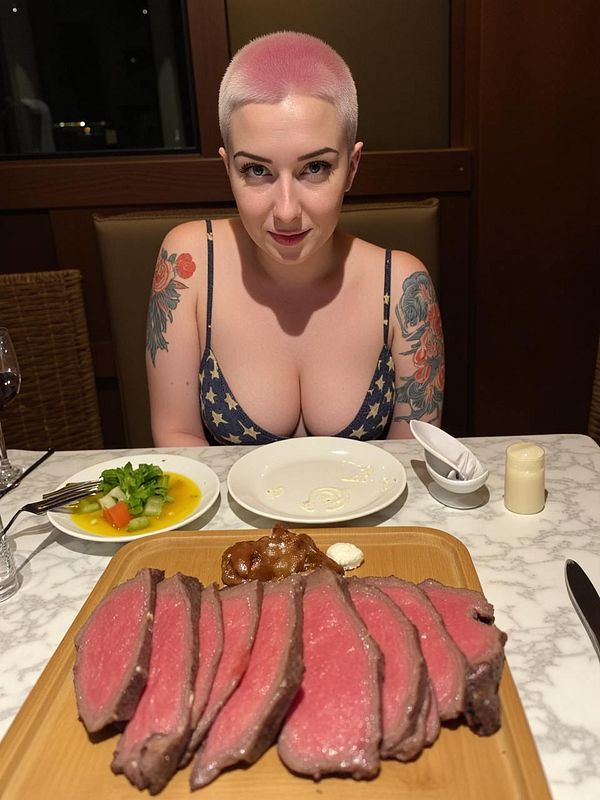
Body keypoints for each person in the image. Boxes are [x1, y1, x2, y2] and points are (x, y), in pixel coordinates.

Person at [146, 31, 444, 447]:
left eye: (316, 168)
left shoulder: (404, 286)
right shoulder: (187, 265)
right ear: (227, 168)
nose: (286, 211)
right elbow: (176, 438)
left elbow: (412, 458)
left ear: (352, 167)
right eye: (256, 170)